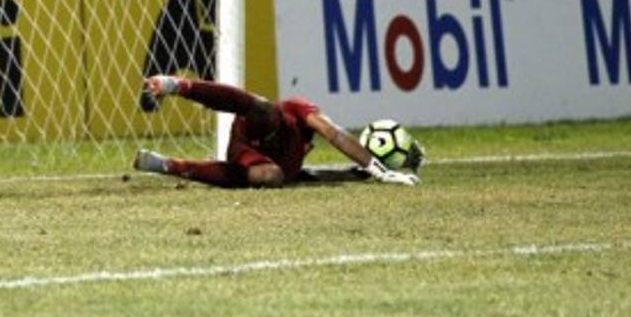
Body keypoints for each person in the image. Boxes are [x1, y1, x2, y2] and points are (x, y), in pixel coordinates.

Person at [132, 75, 420, 188]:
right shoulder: (297, 111)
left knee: (272, 177)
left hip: (258, 164)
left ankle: (167, 165)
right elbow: (334, 133)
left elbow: (309, 175)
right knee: (263, 108)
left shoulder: (292, 164)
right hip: (250, 137)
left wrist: (361, 173)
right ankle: (179, 86)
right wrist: (378, 168)